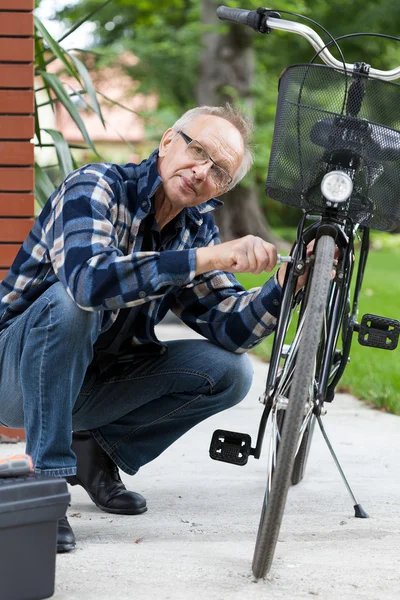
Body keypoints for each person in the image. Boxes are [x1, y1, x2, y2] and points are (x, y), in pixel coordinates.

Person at [0, 104, 287, 553]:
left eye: (219, 171)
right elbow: (88, 282)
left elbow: (231, 326)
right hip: (13, 376)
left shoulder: (193, 230)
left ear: (223, 188)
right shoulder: (95, 186)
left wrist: (282, 287)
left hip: (93, 379)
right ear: (168, 141)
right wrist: (206, 259)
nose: (201, 171)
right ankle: (46, 484)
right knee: (70, 304)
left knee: (230, 372)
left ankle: (97, 453)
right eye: (198, 150)